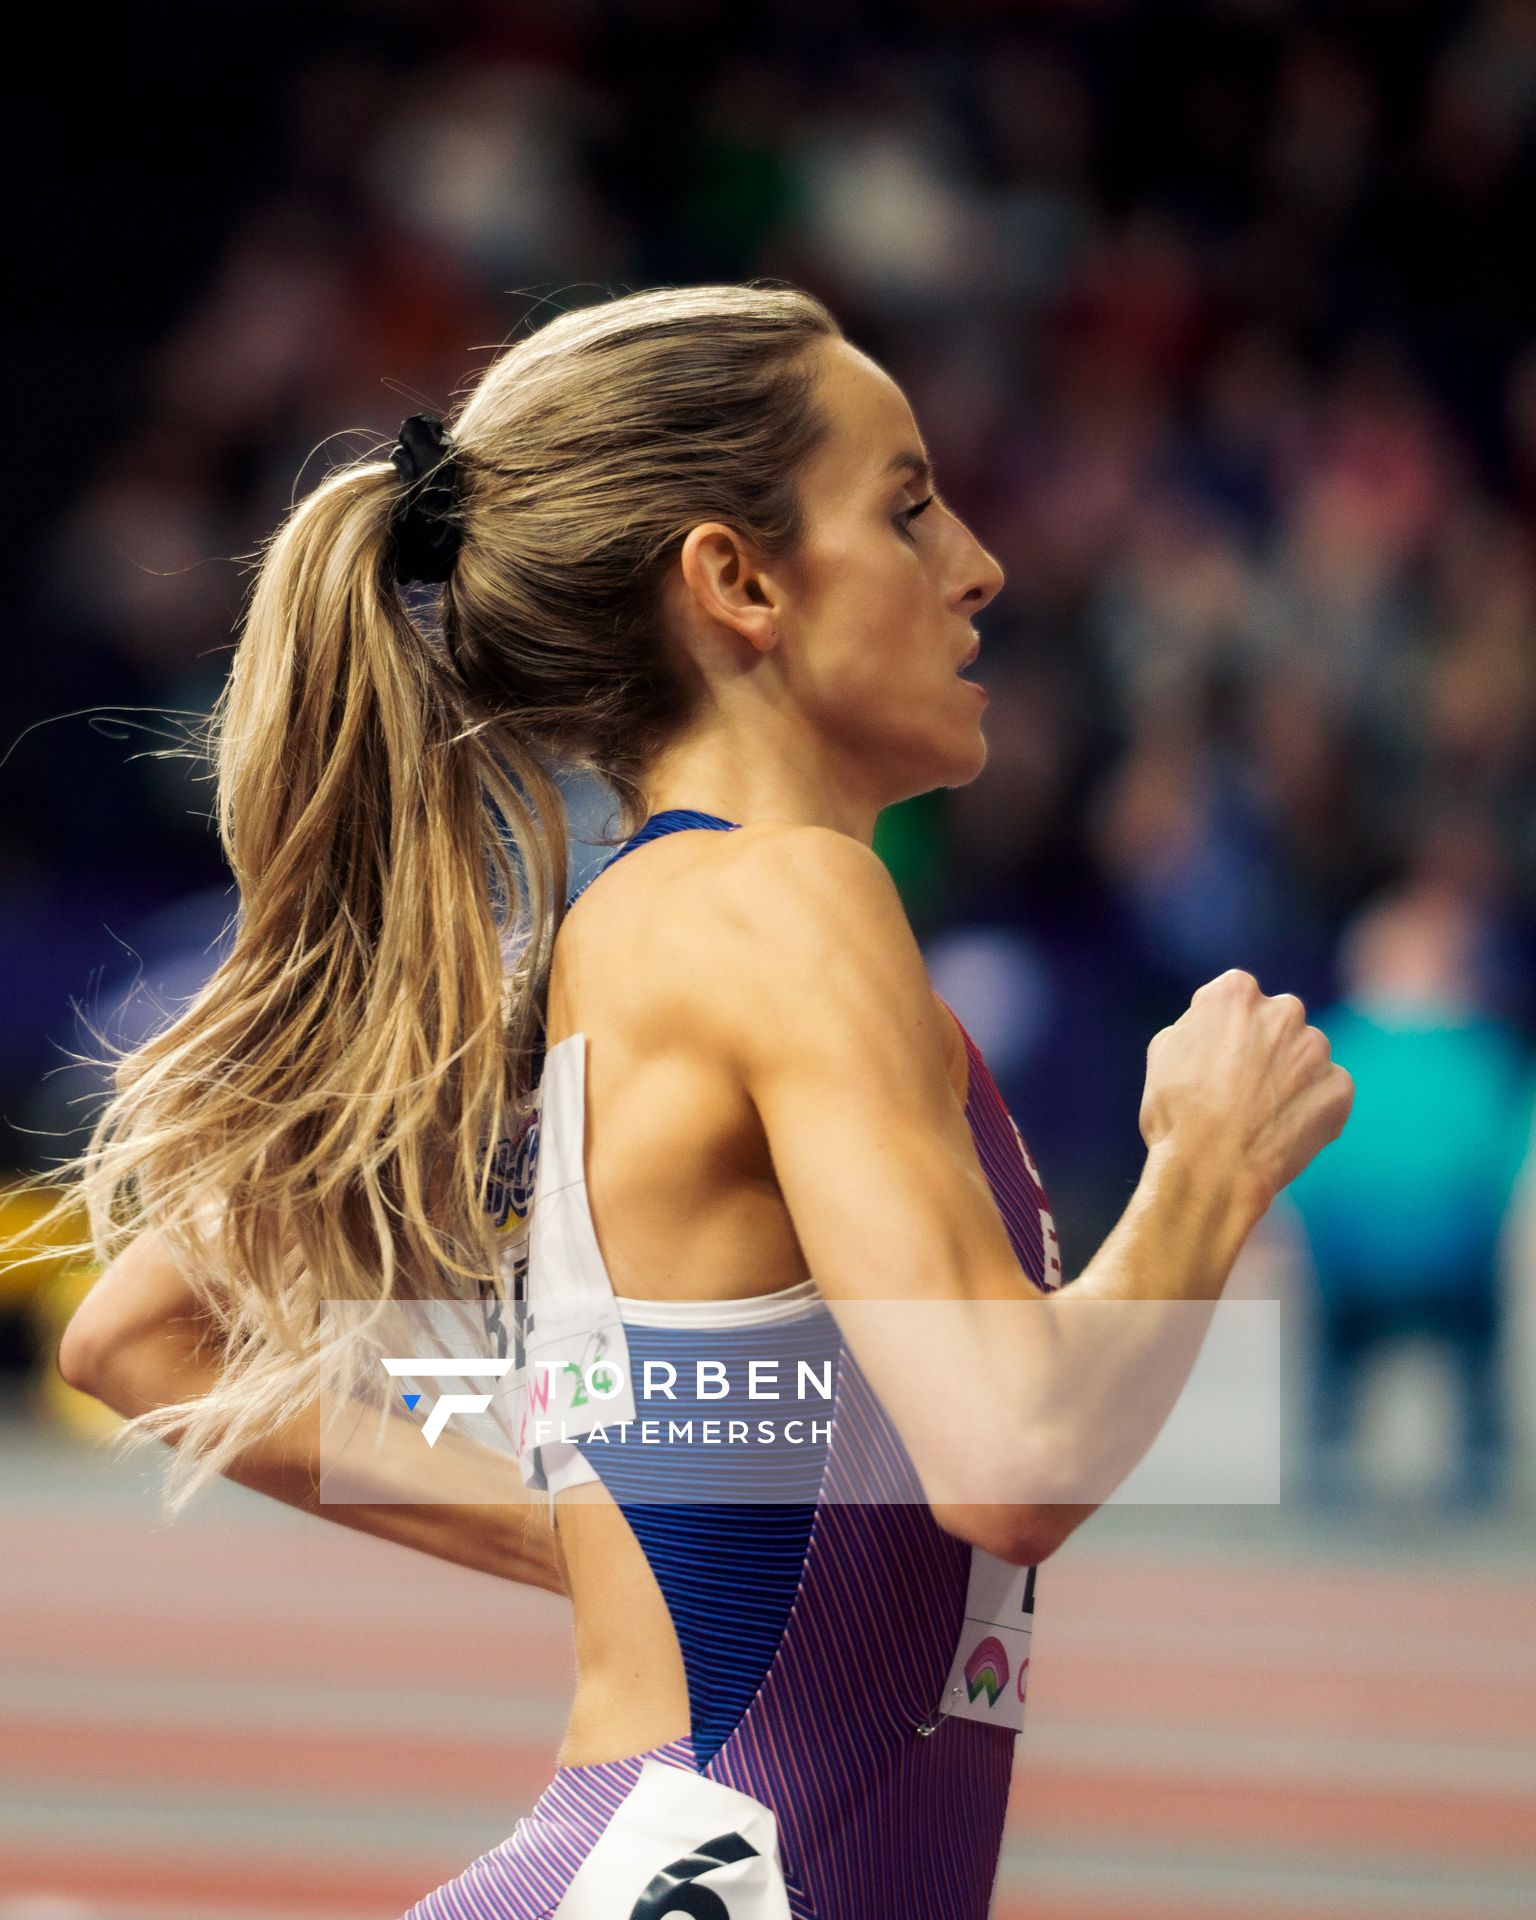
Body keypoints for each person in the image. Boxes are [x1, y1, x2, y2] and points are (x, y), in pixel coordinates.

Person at [53, 284, 1352, 1918]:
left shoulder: (601, 939)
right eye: (906, 507)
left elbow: (137, 1335)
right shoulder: (781, 906)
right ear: (736, 581)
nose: (980, 565)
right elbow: (1017, 1454)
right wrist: (1206, 1169)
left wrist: (604, 1552)